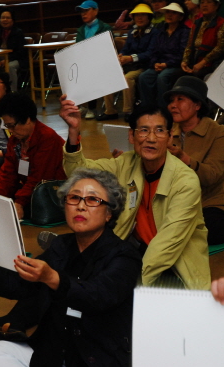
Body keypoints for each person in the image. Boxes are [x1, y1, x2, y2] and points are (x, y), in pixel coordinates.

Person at [0, 168, 141, 367]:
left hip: (95, 356)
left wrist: (52, 278)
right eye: (74, 198)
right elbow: (23, 285)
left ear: (109, 213)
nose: (81, 206)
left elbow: (97, 296)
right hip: (52, 352)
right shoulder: (62, 245)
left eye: (92, 200)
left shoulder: (124, 255)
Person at [59, 96, 211, 289]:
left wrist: (130, 282)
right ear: (132, 136)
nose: (151, 138)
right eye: (144, 130)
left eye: (159, 130)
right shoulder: (126, 162)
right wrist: (74, 132)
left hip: (174, 266)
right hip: (135, 251)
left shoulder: (185, 181)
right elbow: (79, 174)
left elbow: (167, 244)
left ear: (170, 136)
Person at [164, 76, 224, 244]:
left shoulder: (219, 133)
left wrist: (184, 158)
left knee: (209, 232)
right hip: (177, 200)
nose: (173, 105)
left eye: (180, 99)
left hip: (211, 200)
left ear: (197, 105)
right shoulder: (167, 132)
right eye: (171, 100)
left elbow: (212, 176)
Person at [0, 93, 66, 220]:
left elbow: (39, 177)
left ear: (27, 119)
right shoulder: (15, 140)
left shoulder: (47, 138)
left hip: (53, 194)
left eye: (11, 125)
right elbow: (8, 173)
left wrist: (20, 202)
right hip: (32, 192)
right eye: (6, 125)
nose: (9, 130)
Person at [99, 2, 157, 121]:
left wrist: (130, 58)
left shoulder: (155, 32)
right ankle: (110, 111)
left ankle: (128, 111)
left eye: (143, 15)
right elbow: (126, 48)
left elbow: (150, 53)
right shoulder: (132, 31)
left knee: (127, 78)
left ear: (149, 17)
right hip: (129, 64)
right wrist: (121, 55)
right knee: (107, 74)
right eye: (136, 15)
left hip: (145, 66)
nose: (139, 18)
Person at [138, 1, 191, 109]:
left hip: (175, 64)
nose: (169, 15)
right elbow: (154, 51)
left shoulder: (185, 32)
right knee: (144, 76)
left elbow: (183, 53)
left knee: (163, 77)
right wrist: (155, 64)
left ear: (180, 17)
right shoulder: (161, 32)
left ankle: (164, 110)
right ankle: (149, 109)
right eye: (167, 12)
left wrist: (166, 64)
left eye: (173, 13)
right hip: (159, 64)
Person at [74, 0, 113, 119]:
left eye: (86, 11)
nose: (83, 14)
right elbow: (79, 47)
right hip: (85, 59)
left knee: (90, 70)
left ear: (96, 11)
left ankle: (92, 107)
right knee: (75, 69)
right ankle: (82, 105)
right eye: (82, 11)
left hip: (102, 60)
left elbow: (106, 47)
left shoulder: (105, 27)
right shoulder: (81, 29)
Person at [181, 0, 224, 79]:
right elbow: (189, 45)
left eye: (209, 2)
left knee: (197, 76)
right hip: (195, 60)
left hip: (211, 63)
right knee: (176, 75)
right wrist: (185, 61)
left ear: (216, 6)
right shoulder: (197, 23)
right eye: (202, 2)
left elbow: (220, 48)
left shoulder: (222, 23)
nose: (204, 5)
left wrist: (203, 62)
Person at [0, 10, 26, 92]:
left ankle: (13, 92)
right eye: (3, 18)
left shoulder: (18, 33)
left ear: (12, 20)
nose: (5, 20)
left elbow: (20, 52)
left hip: (16, 60)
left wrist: (7, 60)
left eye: (8, 18)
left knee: (10, 66)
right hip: (1, 60)